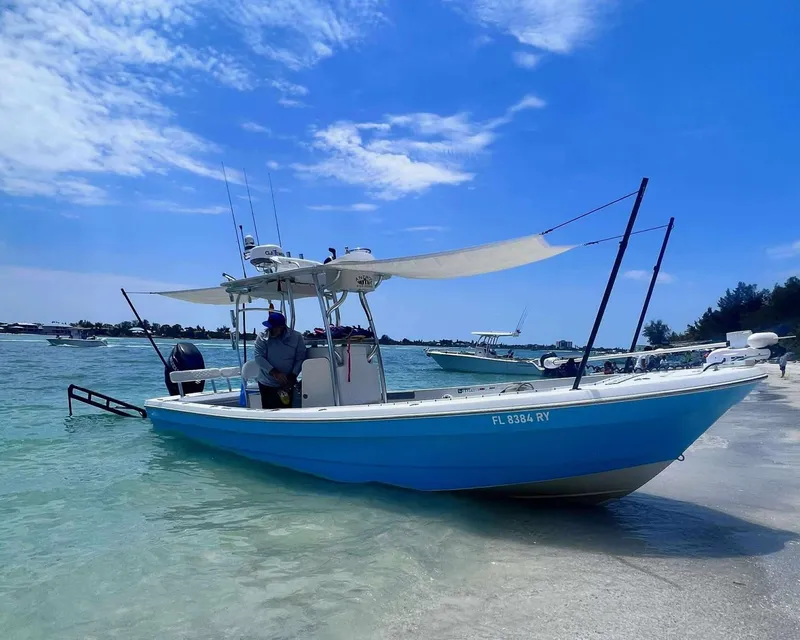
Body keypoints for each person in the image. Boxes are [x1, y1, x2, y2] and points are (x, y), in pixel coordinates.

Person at [253, 311, 307, 409]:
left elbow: (300, 358)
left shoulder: (297, 337)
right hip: (267, 383)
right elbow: (258, 357)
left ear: (282, 327)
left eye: (274, 327)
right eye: (270, 327)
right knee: (269, 413)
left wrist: (293, 376)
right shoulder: (262, 336)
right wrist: (275, 372)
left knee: (287, 412)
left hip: (287, 384)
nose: (271, 330)